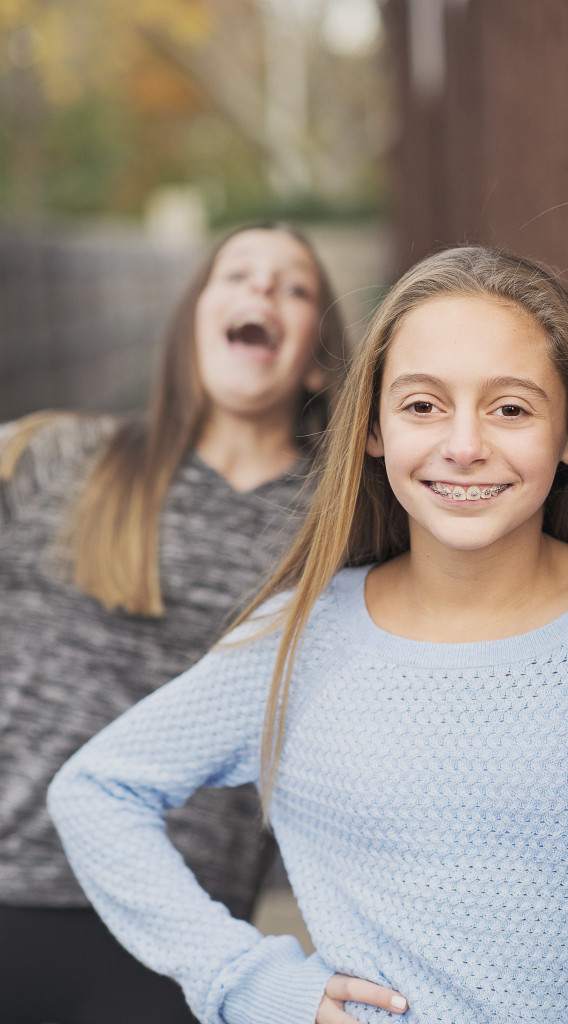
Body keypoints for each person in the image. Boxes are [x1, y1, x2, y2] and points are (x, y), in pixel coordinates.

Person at [49, 246, 568, 1024]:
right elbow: (96, 789)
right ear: (373, 428)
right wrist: (248, 981)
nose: (462, 445)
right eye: (422, 405)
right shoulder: (299, 636)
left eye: (509, 408)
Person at [1, 222, 345, 1023]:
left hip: (177, 931)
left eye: (292, 287)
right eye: (236, 275)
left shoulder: (335, 529)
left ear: (320, 359)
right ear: (192, 321)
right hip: (10, 885)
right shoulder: (53, 455)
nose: (260, 290)